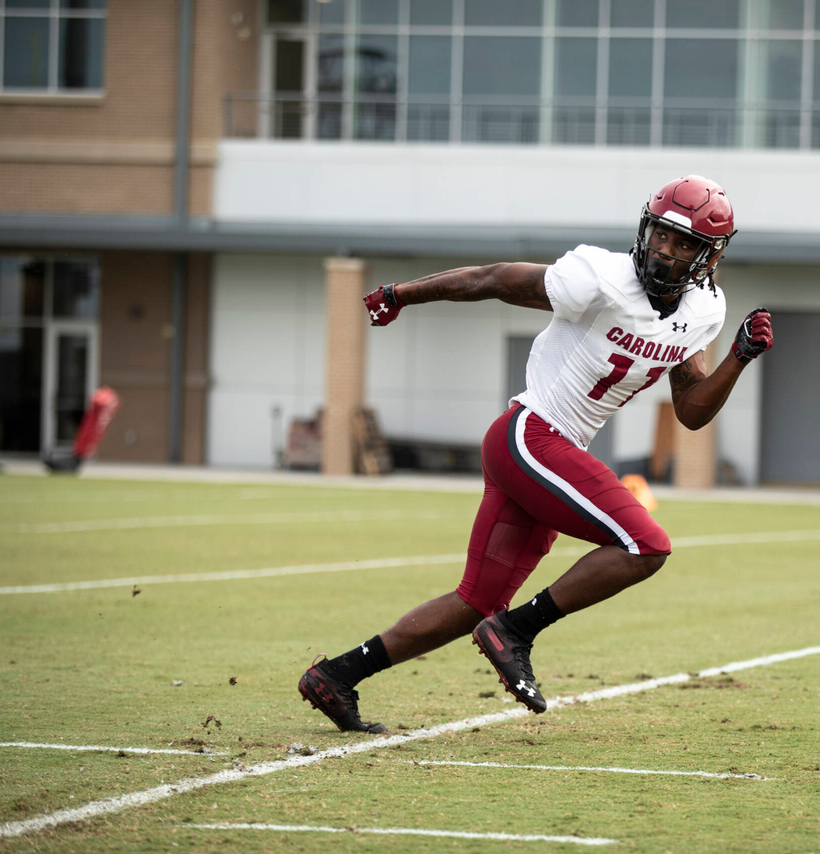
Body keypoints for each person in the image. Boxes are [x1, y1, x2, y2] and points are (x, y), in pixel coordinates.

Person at [299, 175, 774, 732]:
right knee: (646, 545)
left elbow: (690, 410)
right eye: (661, 235)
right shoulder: (599, 276)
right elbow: (493, 278)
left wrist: (738, 356)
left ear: (709, 255)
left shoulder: (704, 310)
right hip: (532, 435)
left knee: (477, 603)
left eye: (684, 242)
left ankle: (336, 675)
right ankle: (519, 630)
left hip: (548, 454)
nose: (665, 250)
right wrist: (402, 294)